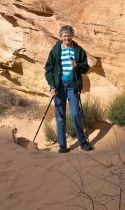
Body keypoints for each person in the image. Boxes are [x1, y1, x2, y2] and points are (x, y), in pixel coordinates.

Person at [45, 25, 92, 153]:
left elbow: (86, 67)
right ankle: (62, 145)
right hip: (59, 85)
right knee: (60, 115)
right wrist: (52, 86)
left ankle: (83, 142)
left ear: (72, 36)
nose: (67, 38)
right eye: (65, 36)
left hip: (73, 84)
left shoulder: (78, 50)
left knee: (76, 113)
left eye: (69, 35)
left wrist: (78, 65)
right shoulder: (55, 51)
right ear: (61, 36)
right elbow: (48, 69)